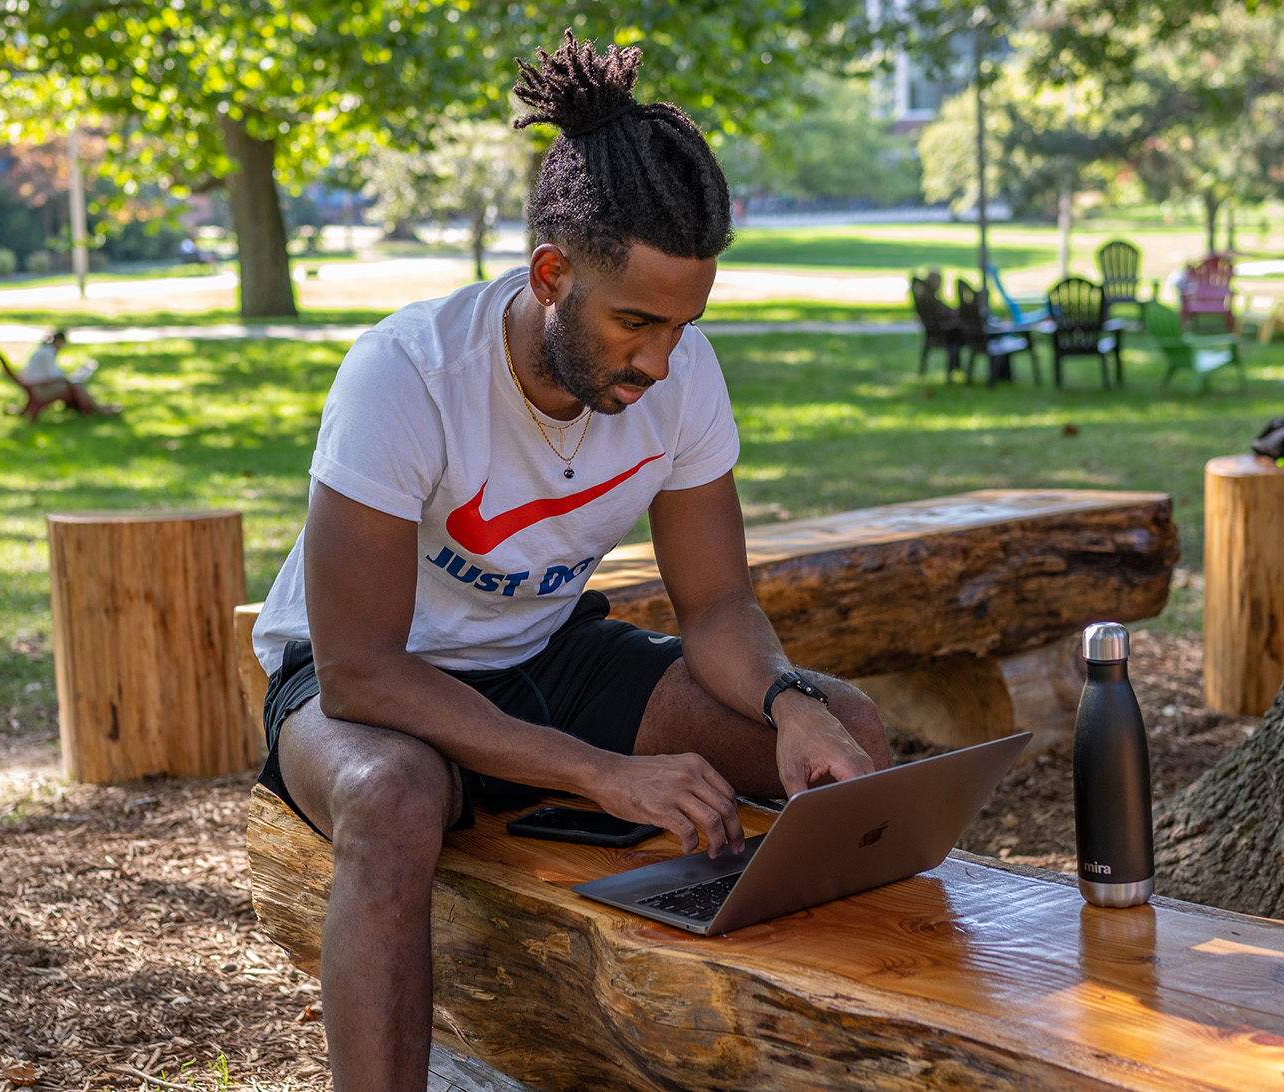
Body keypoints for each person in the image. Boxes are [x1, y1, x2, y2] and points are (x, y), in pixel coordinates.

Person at [250, 31, 891, 1092]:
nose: (660, 360)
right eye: (635, 320)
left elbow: (719, 602)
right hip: (362, 684)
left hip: (545, 655)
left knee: (847, 731)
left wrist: (787, 702)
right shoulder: (404, 374)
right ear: (551, 275)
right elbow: (360, 668)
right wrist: (598, 771)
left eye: (685, 324)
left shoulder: (678, 374)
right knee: (396, 798)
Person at [20, 330, 120, 415]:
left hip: (38, 385)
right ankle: (98, 409)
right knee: (77, 385)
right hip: (39, 388)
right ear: (59, 341)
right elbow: (50, 375)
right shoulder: (47, 353)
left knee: (76, 383)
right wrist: (64, 379)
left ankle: (96, 407)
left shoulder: (45, 351)